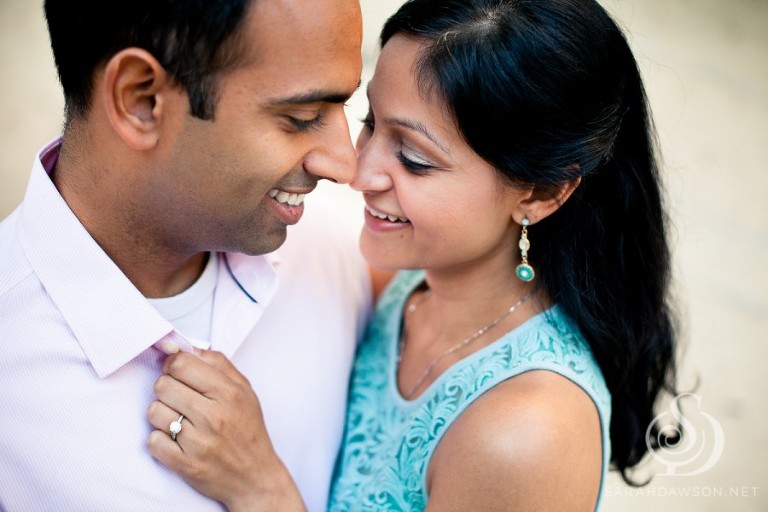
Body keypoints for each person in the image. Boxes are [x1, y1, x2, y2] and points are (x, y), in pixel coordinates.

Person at [152, 0, 681, 510]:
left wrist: (258, 488)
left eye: (413, 159)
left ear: (540, 194)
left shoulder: (526, 435)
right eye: (370, 122)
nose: (356, 172)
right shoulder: (406, 282)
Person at [0, 1, 375, 511]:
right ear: (141, 100)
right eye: (301, 117)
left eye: (346, 110)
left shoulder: (340, 247)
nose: (345, 165)